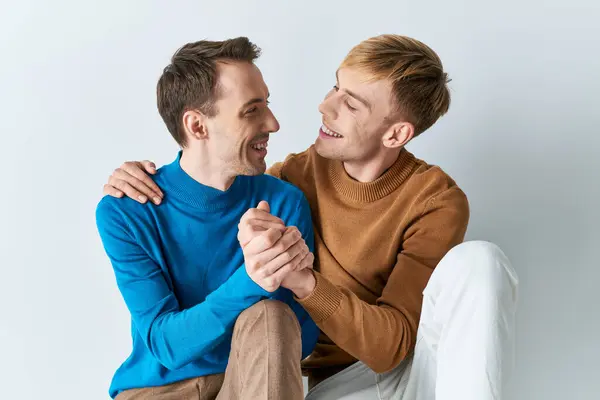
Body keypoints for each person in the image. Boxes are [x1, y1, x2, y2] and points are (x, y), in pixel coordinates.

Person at [103, 34, 519, 400]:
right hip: (317, 385)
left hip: (396, 369)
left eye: (350, 103)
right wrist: (133, 179)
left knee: (480, 260)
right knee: (266, 316)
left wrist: (298, 278)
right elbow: (210, 177)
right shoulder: (292, 179)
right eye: (334, 87)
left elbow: (386, 346)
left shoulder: (432, 200)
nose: (324, 106)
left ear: (395, 135)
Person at [95, 37, 321, 400]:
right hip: (157, 390)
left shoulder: (283, 203)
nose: (274, 124)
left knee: (274, 316)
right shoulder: (127, 210)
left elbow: (303, 338)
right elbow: (166, 345)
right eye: (252, 110)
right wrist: (252, 278)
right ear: (197, 126)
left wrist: (292, 281)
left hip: (252, 381)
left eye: (268, 104)